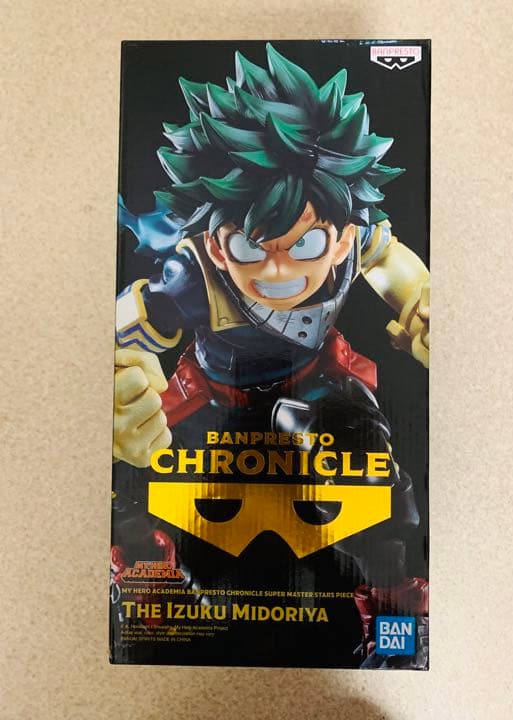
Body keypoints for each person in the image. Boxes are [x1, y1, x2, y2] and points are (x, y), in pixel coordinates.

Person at [112, 43, 429, 668]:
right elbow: (118, 338)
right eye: (251, 248)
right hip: (211, 396)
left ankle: (400, 615)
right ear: (215, 245)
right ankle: (148, 595)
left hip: (318, 386)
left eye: (305, 245)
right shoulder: (190, 278)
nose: (279, 271)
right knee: (133, 485)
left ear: (342, 239)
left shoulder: (353, 234)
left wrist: (425, 306)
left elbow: (398, 269)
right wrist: (118, 397)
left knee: (380, 485)